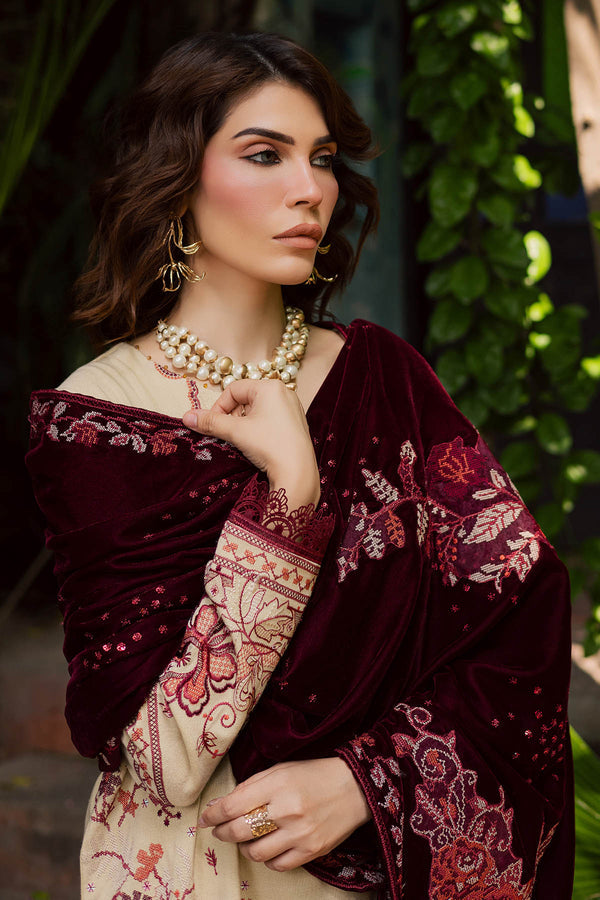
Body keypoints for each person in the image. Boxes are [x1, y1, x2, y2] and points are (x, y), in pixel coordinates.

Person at [26, 31, 574, 900]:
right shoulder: (101, 417)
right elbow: (164, 756)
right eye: (264, 154)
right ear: (178, 179)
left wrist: (365, 781)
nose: (310, 188)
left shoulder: (385, 380)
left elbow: (520, 622)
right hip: (198, 871)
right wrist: (290, 500)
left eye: (320, 158)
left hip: (381, 866)